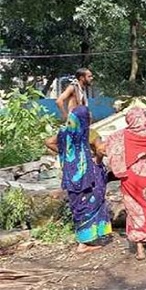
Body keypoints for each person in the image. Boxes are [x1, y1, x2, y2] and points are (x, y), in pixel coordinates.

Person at [106, 108, 146, 261]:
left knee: (134, 211)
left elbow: (106, 147)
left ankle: (140, 251)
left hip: (129, 177)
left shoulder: (121, 135)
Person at [47, 106, 111, 253]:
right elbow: (101, 149)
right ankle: (85, 242)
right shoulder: (89, 133)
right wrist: (98, 161)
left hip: (71, 175)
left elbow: (48, 142)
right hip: (88, 176)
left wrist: (67, 156)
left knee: (78, 205)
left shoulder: (63, 132)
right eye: (89, 116)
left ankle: (85, 239)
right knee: (92, 202)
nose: (91, 118)